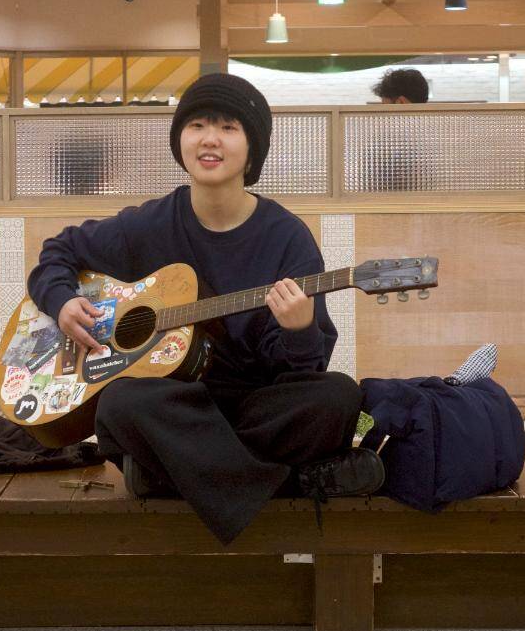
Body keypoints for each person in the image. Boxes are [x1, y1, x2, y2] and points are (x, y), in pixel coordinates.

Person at [27, 72, 382, 544]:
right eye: (197, 125)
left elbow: (304, 370)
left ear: (251, 149)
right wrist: (62, 299)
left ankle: (171, 475)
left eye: (228, 127)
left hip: (252, 403)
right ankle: (291, 483)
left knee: (335, 396)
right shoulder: (150, 224)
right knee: (119, 403)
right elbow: (59, 251)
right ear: (181, 141)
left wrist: (299, 330)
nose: (210, 139)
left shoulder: (286, 237)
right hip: (174, 401)